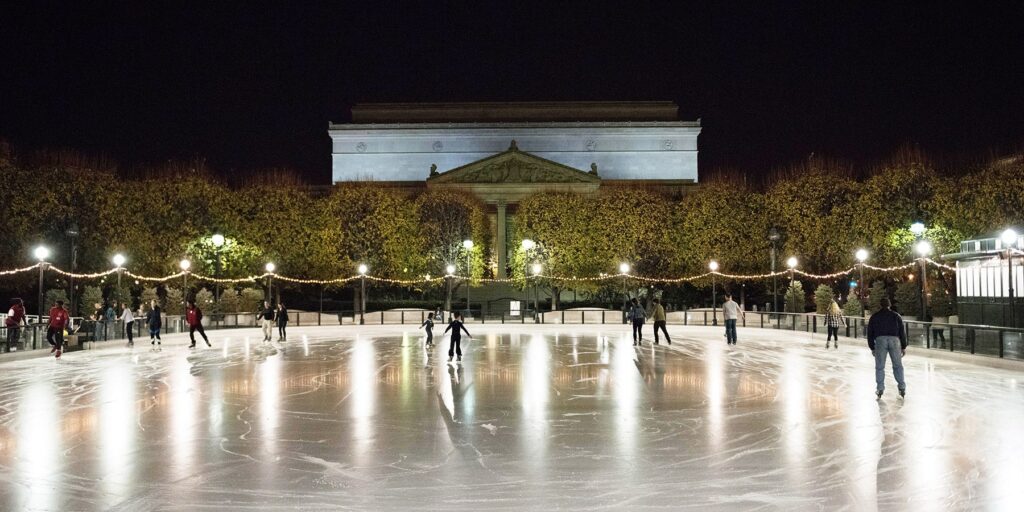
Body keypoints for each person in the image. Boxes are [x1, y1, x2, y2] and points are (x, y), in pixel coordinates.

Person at [867, 297, 907, 399]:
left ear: (881, 305)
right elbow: (902, 331)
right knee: (898, 365)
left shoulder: (875, 317)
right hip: (894, 340)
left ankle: (880, 389)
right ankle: (902, 387)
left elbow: (870, 333)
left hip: (880, 341)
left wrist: (872, 347)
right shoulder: (896, 316)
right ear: (889, 305)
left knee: (880, 366)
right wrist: (903, 346)